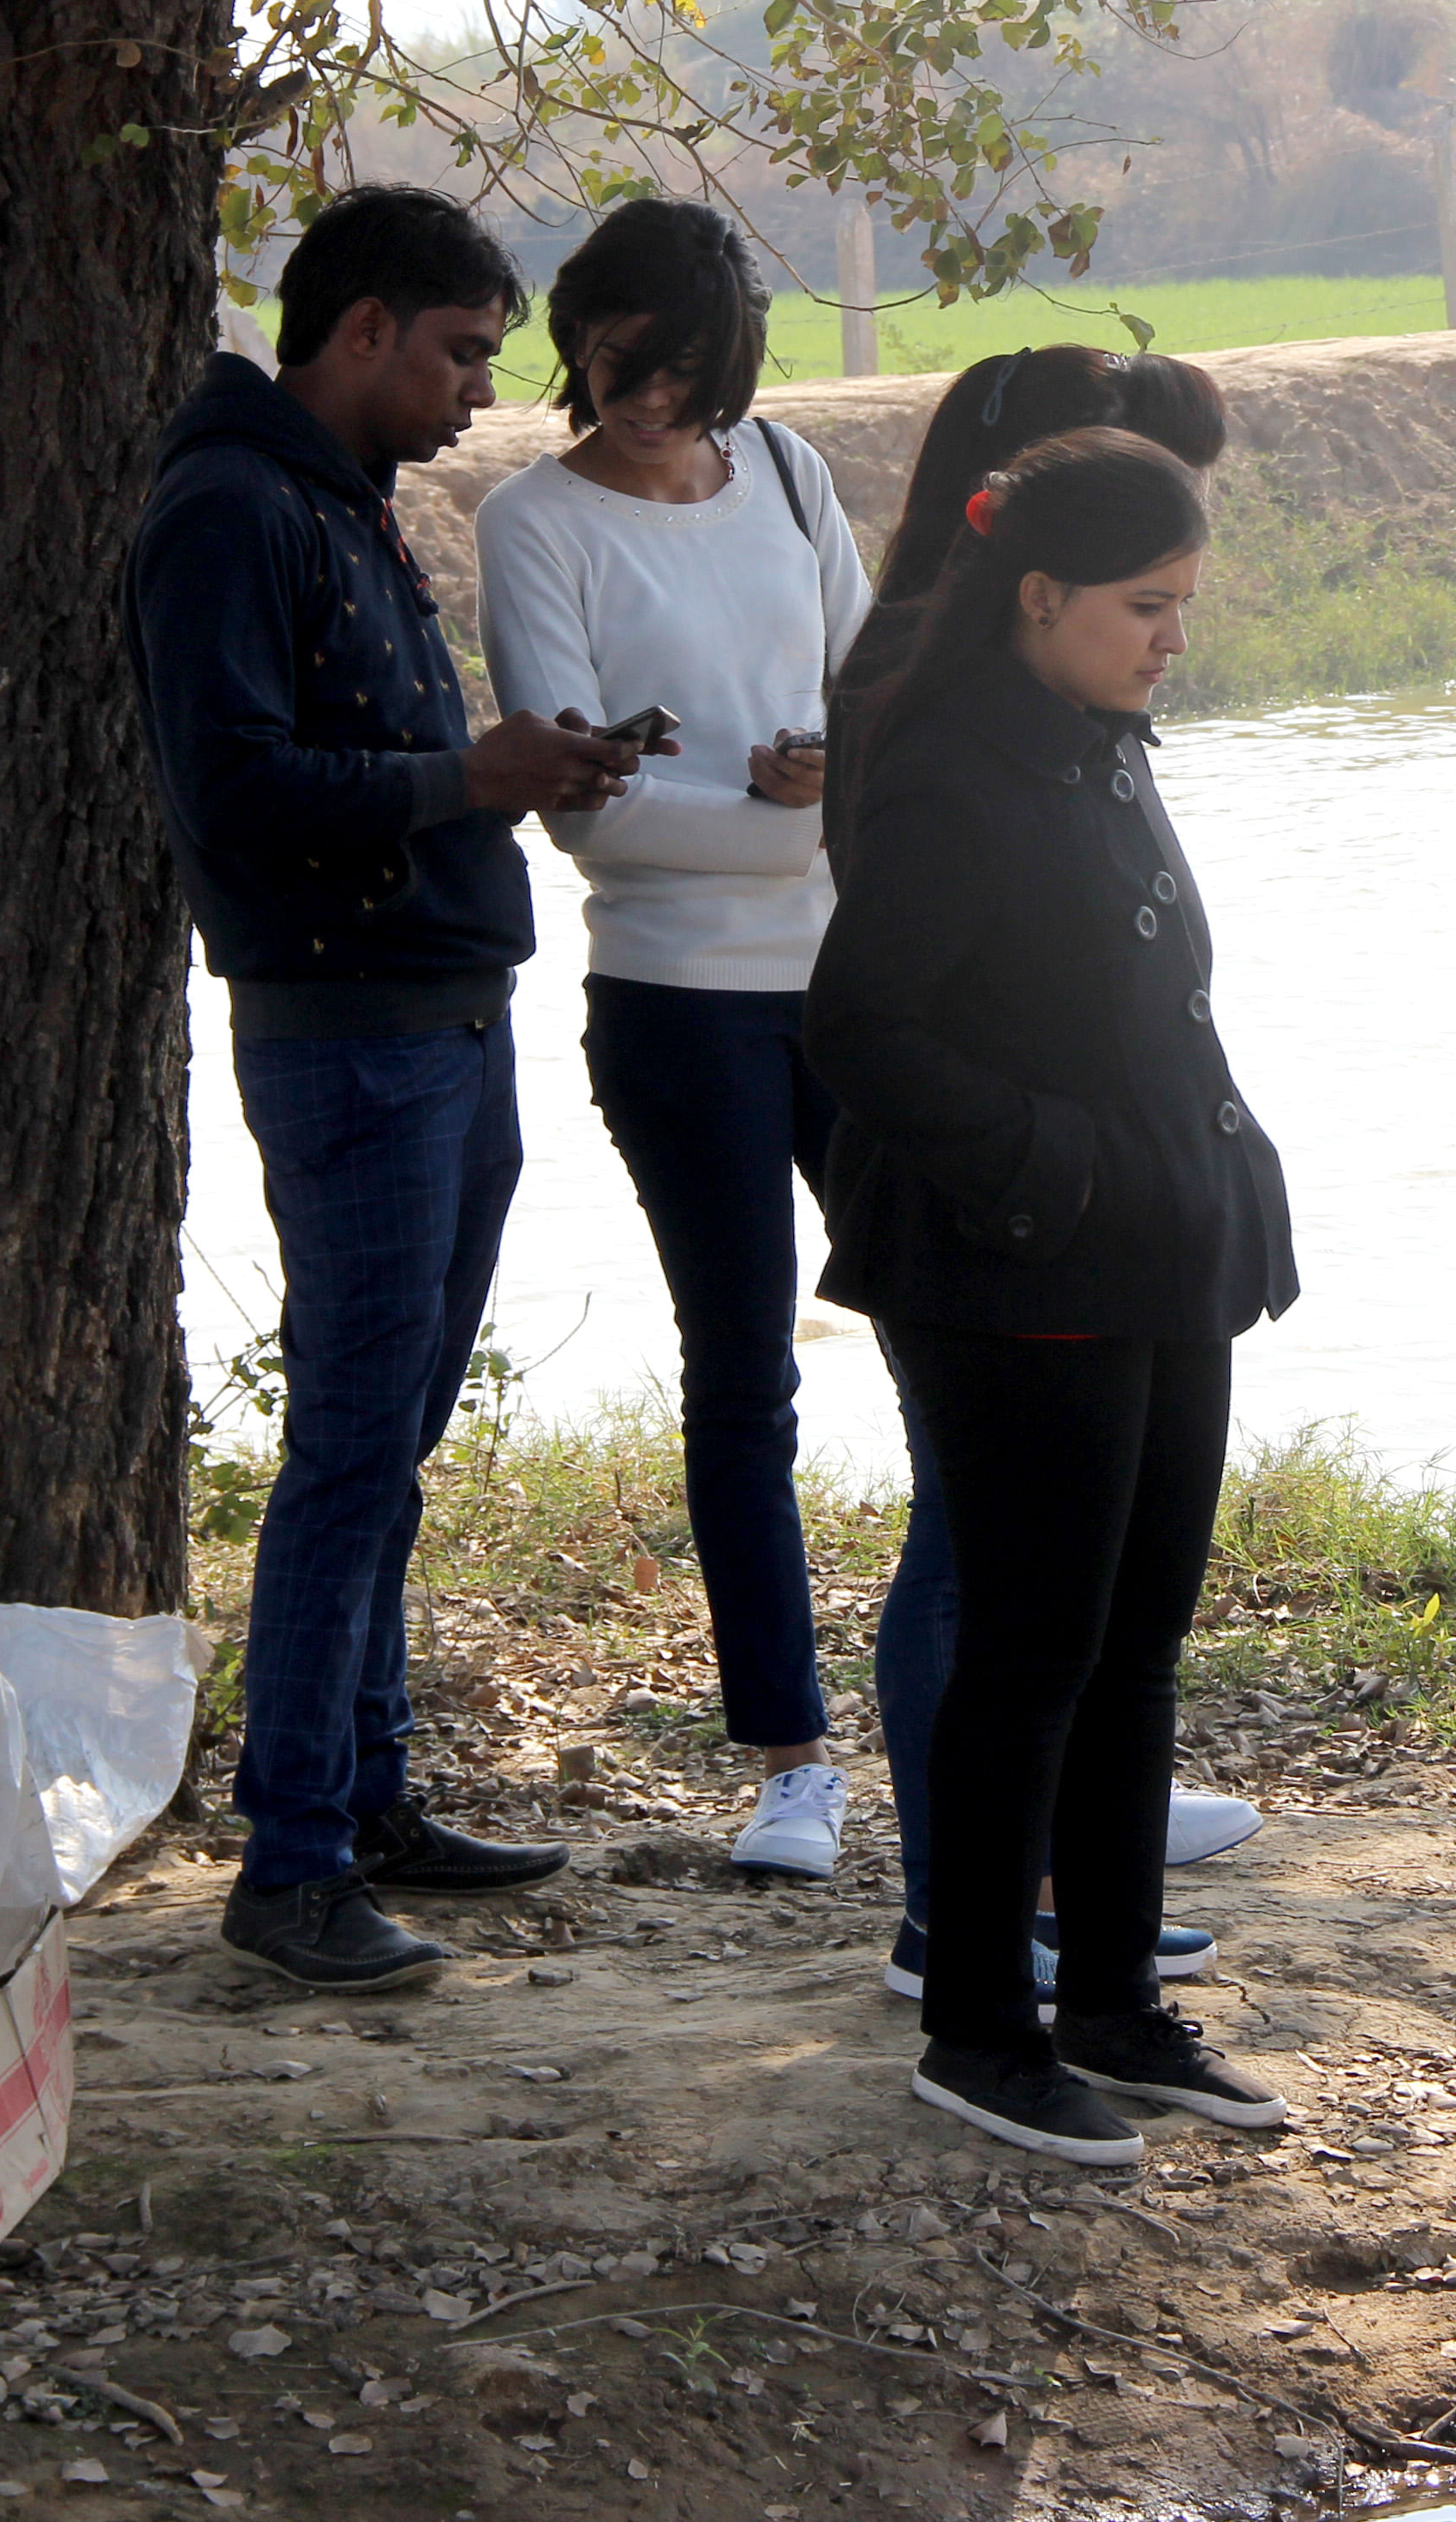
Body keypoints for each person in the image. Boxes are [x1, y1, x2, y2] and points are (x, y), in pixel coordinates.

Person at [131, 185, 643, 1988]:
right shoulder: (229, 507)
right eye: (459, 353)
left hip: (437, 1012)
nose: (479, 393)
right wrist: (466, 782)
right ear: (361, 331)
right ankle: (289, 1868)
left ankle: (366, 1799)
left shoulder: (329, 494)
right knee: (350, 1448)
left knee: (388, 1442)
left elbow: (364, 758)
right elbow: (232, 790)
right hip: (349, 1030)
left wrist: (512, 769)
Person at [808, 427, 1304, 2164]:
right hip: (1022, 1271)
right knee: (1031, 1648)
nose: (1173, 636)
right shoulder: (953, 769)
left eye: (1183, 603)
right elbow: (861, 1029)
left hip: (1158, 1250)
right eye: (1143, 605)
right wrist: (1054, 1167)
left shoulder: (1092, 742)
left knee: (1136, 1642)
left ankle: (1109, 1996)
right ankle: (977, 2028)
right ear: (1039, 597)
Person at [474, 198, 889, 1880]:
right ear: (578, 334)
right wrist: (796, 823)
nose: (654, 400)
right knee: (744, 1373)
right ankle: (792, 1760)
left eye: (694, 376)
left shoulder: (787, 474)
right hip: (674, 1000)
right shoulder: (535, 523)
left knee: (970, 1338)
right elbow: (590, 812)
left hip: (854, 983)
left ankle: (1029, 1729)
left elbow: (876, 700)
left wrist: (830, 776)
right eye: (625, 361)